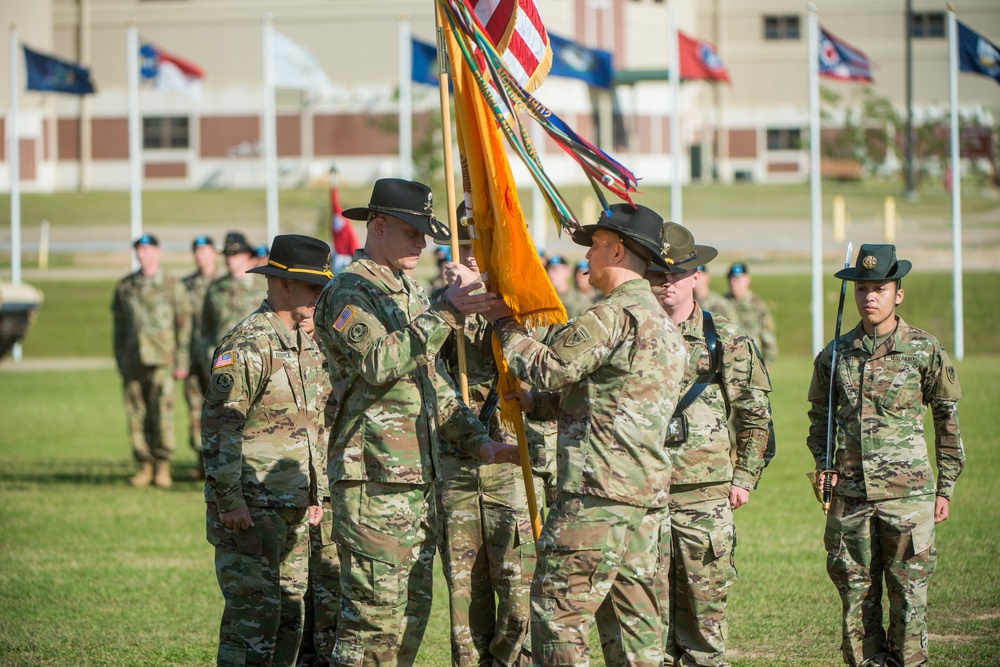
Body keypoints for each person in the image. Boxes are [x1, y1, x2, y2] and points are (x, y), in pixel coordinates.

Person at [313, 178, 517, 667]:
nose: (423, 243)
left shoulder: (409, 292)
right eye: (413, 232)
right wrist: (445, 312)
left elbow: (436, 385)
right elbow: (380, 363)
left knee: (408, 618)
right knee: (372, 624)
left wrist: (478, 441)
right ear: (378, 227)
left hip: (417, 483)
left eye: (426, 233)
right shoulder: (349, 291)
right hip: (373, 481)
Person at [486, 203, 687, 667]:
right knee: (635, 628)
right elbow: (620, 399)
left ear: (617, 249)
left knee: (558, 612)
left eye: (595, 247)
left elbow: (547, 367)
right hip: (644, 496)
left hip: (597, 493)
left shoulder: (612, 315)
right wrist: (540, 406)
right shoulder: (663, 323)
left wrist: (505, 323)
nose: (586, 258)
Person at [807, 243, 965, 667]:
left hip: (908, 499)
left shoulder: (924, 349)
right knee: (857, 602)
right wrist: (824, 467)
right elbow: (819, 417)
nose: (869, 296)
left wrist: (945, 486)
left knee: (910, 601)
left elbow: (947, 421)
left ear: (899, 293)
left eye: (879, 288)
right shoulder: (834, 354)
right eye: (862, 288)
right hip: (852, 499)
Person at [201, 234, 337, 667]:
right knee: (251, 629)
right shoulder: (248, 344)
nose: (320, 296)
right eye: (312, 287)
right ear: (282, 284)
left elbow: (311, 426)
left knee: (288, 623)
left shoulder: (306, 343)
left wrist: (315, 494)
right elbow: (221, 429)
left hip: (293, 508)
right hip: (251, 511)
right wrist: (230, 502)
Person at [645, 223, 774, 667]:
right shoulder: (634, 334)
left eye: (675, 275)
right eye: (657, 275)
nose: (666, 284)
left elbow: (756, 415)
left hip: (706, 495)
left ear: (696, 276)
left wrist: (745, 478)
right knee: (649, 625)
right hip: (644, 493)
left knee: (704, 622)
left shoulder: (727, 339)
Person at [434, 203, 535, 667]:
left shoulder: (529, 306)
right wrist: (450, 306)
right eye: (467, 246)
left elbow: (547, 380)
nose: (474, 257)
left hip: (513, 467)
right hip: (457, 464)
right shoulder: (437, 308)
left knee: (518, 597)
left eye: (484, 247)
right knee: (465, 601)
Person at [112, 234, 191, 488]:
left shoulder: (172, 286)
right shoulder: (125, 287)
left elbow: (184, 326)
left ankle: (163, 465)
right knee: (137, 414)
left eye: (148, 250)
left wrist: (181, 361)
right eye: (139, 250)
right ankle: (144, 465)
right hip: (133, 361)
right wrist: (120, 359)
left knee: (162, 413)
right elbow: (120, 327)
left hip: (162, 360)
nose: (143, 255)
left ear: (158, 252)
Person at [198, 232, 265, 374]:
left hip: (257, 358)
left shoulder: (263, 287)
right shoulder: (216, 288)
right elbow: (206, 326)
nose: (230, 259)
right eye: (227, 254)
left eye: (235, 254)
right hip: (223, 360)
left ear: (248, 255)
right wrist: (208, 353)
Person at [181, 234, 218, 479]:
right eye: (197, 251)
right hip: (192, 357)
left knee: (220, 412)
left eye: (205, 251)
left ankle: (218, 463)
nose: (200, 256)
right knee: (196, 413)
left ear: (214, 253)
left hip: (218, 360)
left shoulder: (223, 284)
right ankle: (201, 461)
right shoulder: (184, 285)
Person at [724, 262, 778, 366]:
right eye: (731, 279)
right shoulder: (722, 305)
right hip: (728, 366)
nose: (734, 283)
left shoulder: (757, 306)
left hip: (753, 365)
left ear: (747, 280)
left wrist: (765, 368)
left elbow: (769, 342)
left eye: (738, 279)